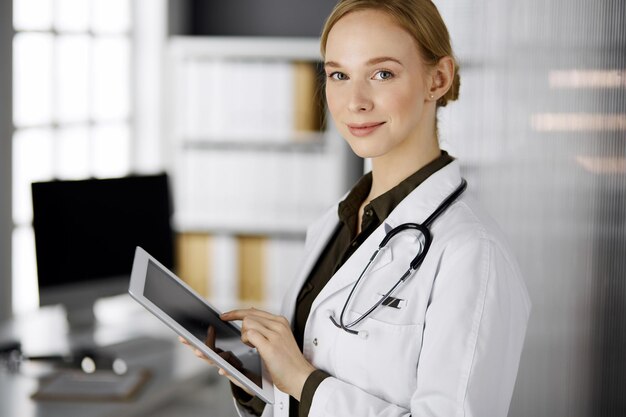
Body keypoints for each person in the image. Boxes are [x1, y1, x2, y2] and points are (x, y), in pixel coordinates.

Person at [182, 1, 531, 416]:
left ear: (438, 79)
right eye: (339, 75)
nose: (355, 101)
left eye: (382, 73)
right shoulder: (334, 224)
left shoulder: (472, 252)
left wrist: (302, 380)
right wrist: (257, 379)